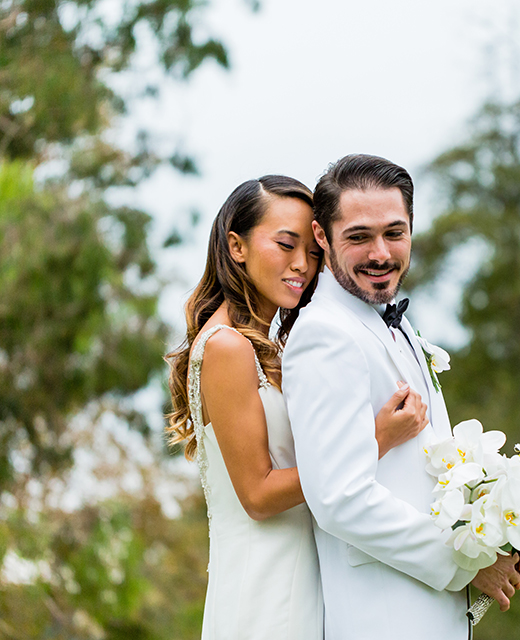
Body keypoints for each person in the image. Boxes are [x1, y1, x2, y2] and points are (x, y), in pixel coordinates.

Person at [165, 175, 428, 640]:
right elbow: (259, 495)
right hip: (267, 590)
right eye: (285, 245)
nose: (301, 264)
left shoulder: (267, 345)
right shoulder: (226, 347)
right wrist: (376, 439)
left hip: (304, 580)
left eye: (311, 250)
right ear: (236, 246)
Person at [282, 154, 520, 640]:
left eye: (394, 233)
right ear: (321, 237)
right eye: (358, 237)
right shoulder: (324, 334)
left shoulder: (395, 326)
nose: (380, 253)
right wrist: (465, 562)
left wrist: (500, 534)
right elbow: (338, 497)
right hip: (381, 615)